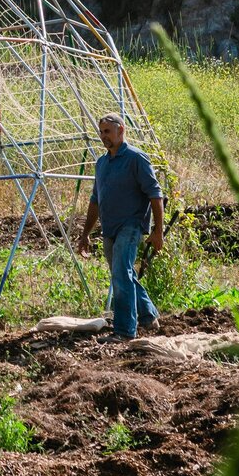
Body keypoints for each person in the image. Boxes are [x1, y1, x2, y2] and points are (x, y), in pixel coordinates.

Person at [76, 113, 164, 341]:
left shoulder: (136, 158)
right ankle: (147, 316)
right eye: (101, 131)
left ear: (121, 130)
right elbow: (96, 200)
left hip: (132, 224)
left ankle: (125, 331)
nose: (103, 136)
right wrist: (85, 234)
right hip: (110, 227)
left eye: (107, 131)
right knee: (123, 274)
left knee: (120, 273)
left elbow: (155, 195)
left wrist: (158, 231)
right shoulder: (102, 163)